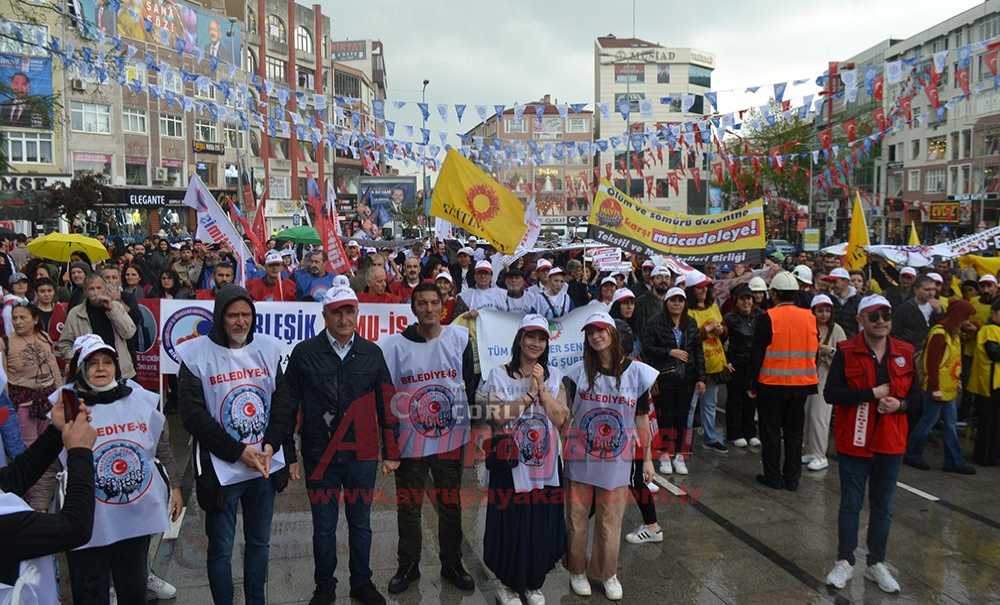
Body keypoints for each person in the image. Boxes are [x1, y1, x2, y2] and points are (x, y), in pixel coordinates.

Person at [177, 285, 297, 605]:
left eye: (246, 315)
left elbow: (284, 403)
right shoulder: (195, 354)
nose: (240, 322)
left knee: (259, 543)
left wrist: (271, 444)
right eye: (233, 315)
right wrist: (237, 451)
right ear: (220, 317)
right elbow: (191, 414)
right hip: (223, 471)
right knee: (221, 549)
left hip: (264, 467)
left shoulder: (270, 349)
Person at [284, 287, 398, 605]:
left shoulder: (371, 353)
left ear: (357, 314)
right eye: (336, 312)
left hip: (362, 456)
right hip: (320, 456)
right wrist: (288, 455)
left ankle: (361, 582)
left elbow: (386, 403)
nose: (344, 318)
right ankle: (325, 587)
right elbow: (288, 404)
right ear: (325, 316)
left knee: (361, 523)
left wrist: (391, 451)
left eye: (349, 311)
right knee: (323, 527)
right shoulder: (304, 353)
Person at [57, 334, 181, 605]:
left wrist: (175, 486)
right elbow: (50, 463)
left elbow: (162, 445)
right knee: (90, 591)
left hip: (133, 518)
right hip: (87, 520)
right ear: (80, 369)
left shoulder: (139, 398)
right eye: (92, 364)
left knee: (133, 589)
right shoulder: (65, 404)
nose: (101, 368)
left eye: (107, 362)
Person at [381, 283, 478, 595]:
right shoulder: (393, 346)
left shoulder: (460, 338)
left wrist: (475, 430)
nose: (428, 308)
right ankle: (407, 565)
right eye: (421, 303)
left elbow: (471, 385)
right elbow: (387, 397)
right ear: (413, 308)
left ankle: (452, 563)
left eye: (434, 302)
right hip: (410, 441)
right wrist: (390, 444)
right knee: (409, 506)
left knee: (450, 504)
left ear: (443, 305)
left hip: (451, 439)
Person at [823, 294, 918, 594]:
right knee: (850, 504)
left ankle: (877, 563)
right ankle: (845, 561)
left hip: (890, 443)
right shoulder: (846, 351)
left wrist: (899, 405)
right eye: (874, 316)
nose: (881, 322)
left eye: (886, 316)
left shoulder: (904, 351)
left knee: (883, 506)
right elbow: (832, 394)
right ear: (861, 320)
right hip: (855, 442)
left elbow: (918, 400)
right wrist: (871, 393)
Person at [564, 311, 658, 601]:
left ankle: (607, 573)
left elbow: (642, 420)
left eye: (601, 330)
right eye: (590, 332)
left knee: (610, 520)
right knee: (577, 518)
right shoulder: (577, 373)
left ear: (613, 334)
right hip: (580, 457)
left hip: (617, 461)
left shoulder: (637, 373)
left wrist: (647, 458)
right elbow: (563, 414)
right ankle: (577, 570)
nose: (595, 336)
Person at [478, 314, 568, 605]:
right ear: (520, 339)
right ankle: (507, 584)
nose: (536, 343)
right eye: (530, 337)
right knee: (511, 525)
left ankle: (532, 582)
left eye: (541, 338)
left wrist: (542, 390)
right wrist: (529, 394)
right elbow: (496, 416)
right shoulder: (498, 374)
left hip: (545, 467)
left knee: (540, 524)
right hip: (510, 465)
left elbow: (561, 419)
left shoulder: (554, 376)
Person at [0, 398, 97, 602]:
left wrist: (56, 432)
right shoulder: (8, 525)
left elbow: (11, 479)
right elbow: (75, 527)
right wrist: (80, 451)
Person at [748, 271, 819, 490]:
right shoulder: (810, 317)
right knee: (794, 434)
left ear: (775, 294)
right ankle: (792, 478)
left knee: (771, 434)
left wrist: (752, 384)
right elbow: (813, 350)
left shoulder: (767, 317)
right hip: (801, 386)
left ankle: (773, 477)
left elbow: (757, 354)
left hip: (771, 385)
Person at [904, 300, 977, 474]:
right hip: (936, 389)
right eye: (966, 318)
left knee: (947, 424)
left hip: (948, 388)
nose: (968, 322)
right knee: (928, 422)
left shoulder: (953, 333)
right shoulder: (940, 334)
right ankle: (913, 454)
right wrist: (935, 387)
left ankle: (953, 460)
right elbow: (932, 363)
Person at [1, 301, 62, 510]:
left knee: (50, 448)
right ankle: (28, 499)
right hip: (23, 404)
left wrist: (61, 394)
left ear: (35, 319)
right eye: (14, 318)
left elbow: (53, 366)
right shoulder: (6, 342)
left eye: (22, 317)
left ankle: (45, 496)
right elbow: (4, 379)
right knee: (27, 453)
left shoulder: (44, 337)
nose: (17, 322)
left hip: (48, 401)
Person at [642, 287, 704, 476]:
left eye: (680, 300)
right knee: (665, 418)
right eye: (673, 300)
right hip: (665, 378)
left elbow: (698, 352)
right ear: (666, 302)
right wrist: (669, 351)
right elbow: (647, 348)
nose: (677, 303)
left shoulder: (691, 324)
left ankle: (679, 455)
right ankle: (664, 455)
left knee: (683, 419)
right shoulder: (655, 323)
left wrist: (701, 377)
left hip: (687, 378)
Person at [56, 274, 137, 380]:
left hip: (120, 371)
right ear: (85, 292)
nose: (95, 292)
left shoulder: (116, 306)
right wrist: (77, 359)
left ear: (105, 289)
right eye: (91, 289)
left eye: (99, 288)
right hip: (91, 373)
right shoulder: (75, 313)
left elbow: (129, 332)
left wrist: (112, 309)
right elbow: (64, 344)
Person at [685, 270, 729, 453]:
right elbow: (688, 337)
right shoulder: (687, 310)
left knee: (709, 403)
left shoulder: (713, 306)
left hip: (714, 363)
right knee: (690, 404)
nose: (703, 291)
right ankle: (684, 440)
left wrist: (721, 330)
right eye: (699, 288)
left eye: (705, 288)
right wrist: (705, 331)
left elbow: (724, 331)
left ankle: (710, 437)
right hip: (696, 364)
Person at [802, 294, 846, 471]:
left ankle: (820, 454)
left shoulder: (837, 330)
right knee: (806, 413)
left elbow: (845, 357)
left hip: (826, 375)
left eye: (827, 310)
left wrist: (830, 351)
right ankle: (810, 450)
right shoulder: (807, 327)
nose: (824, 314)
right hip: (807, 374)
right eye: (820, 310)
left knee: (820, 416)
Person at [723, 284, 761, 448]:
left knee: (751, 399)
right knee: (735, 399)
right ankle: (734, 432)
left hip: (754, 364)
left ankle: (750, 431)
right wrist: (725, 361)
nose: (746, 302)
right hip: (735, 363)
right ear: (736, 301)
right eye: (743, 299)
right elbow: (720, 342)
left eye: (749, 298)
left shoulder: (760, 316)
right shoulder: (729, 318)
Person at [969, 299, 1000, 466]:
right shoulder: (990, 330)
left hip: (996, 382)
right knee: (987, 422)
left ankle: (993, 454)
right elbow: (994, 354)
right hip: (988, 383)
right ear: (994, 313)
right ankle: (984, 456)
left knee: (995, 422)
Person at [825, 267, 862, 338]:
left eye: (835, 282)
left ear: (846, 281)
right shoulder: (828, 299)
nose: (832, 285)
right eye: (830, 282)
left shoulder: (859, 301)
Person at [609, 287, 640, 358]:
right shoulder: (612, 326)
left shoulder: (635, 324)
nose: (629, 307)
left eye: (632, 303)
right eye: (625, 303)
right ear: (616, 306)